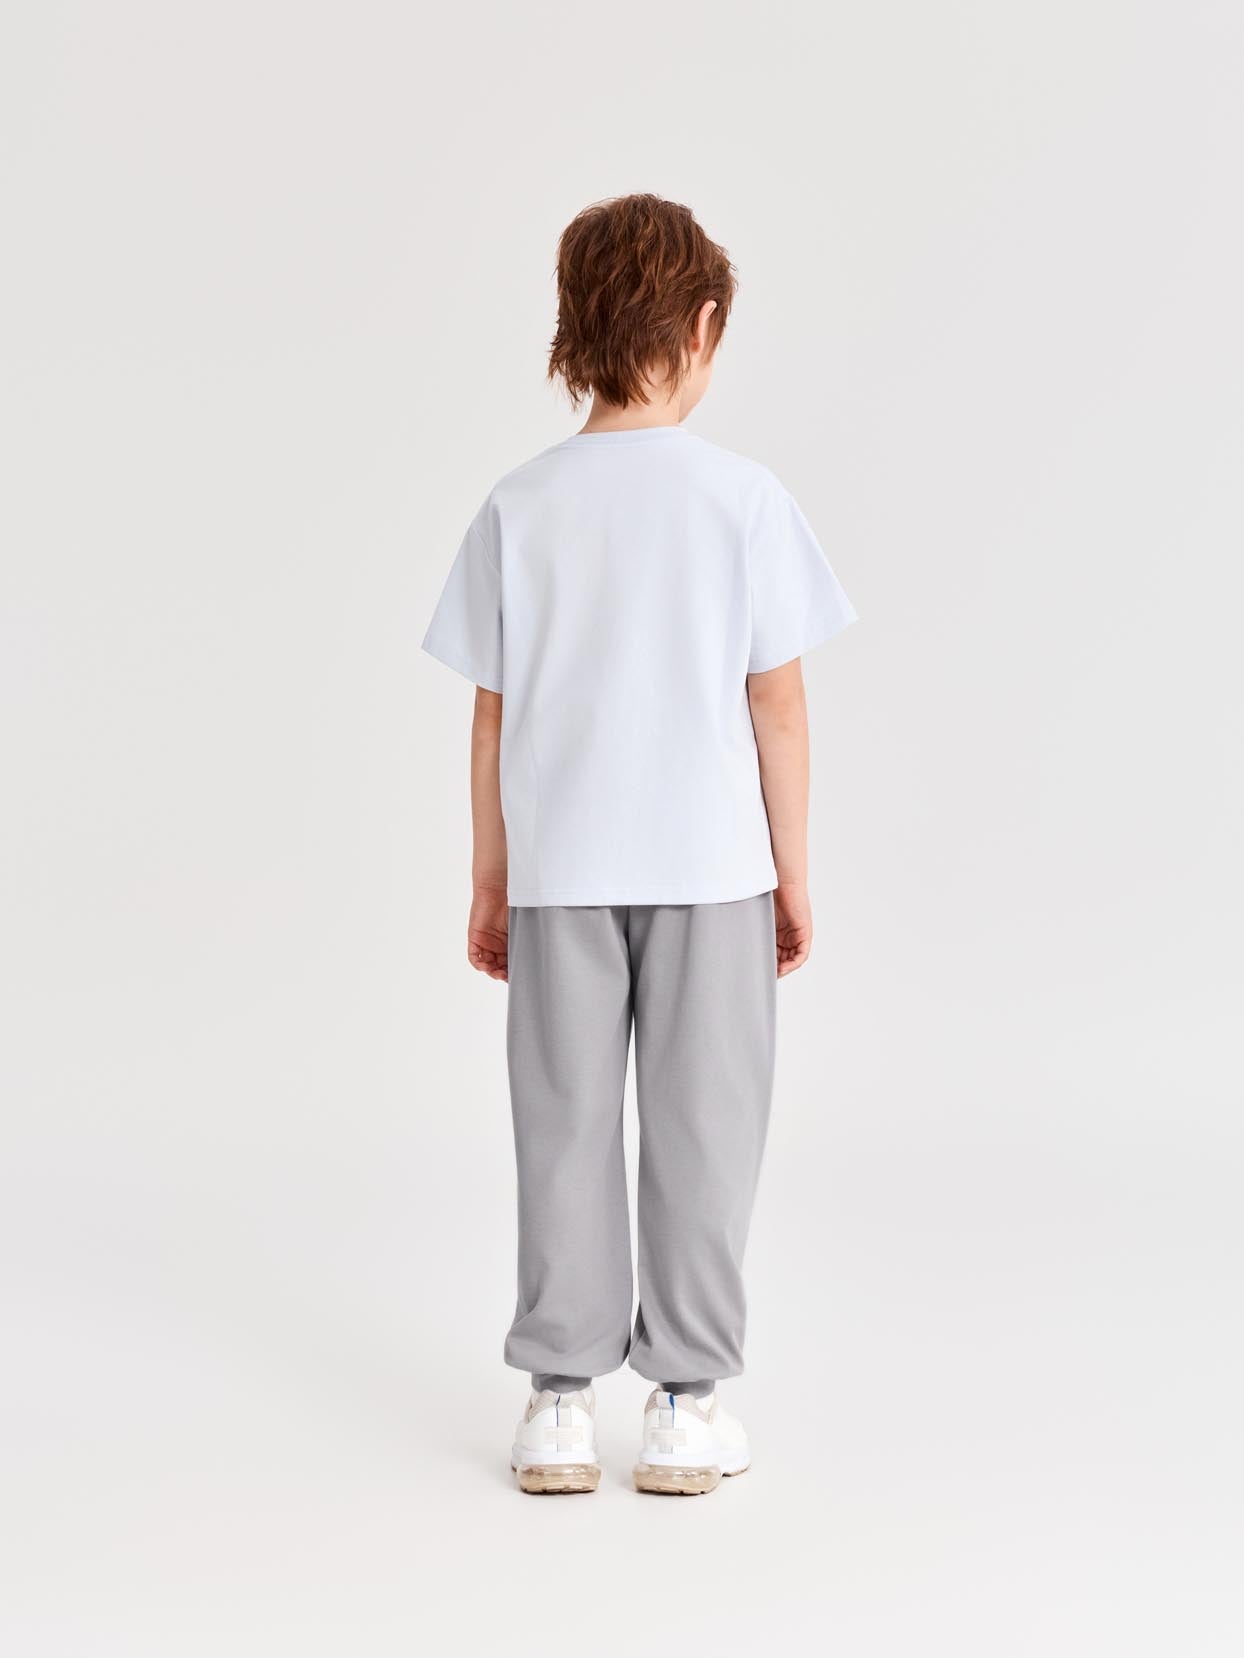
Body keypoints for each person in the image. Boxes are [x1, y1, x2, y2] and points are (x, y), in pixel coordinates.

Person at [421, 193, 857, 1495]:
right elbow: (779, 705)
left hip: (561, 870)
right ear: (704, 325)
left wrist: (491, 878)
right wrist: (792, 869)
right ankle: (684, 1403)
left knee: (559, 1122)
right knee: (704, 1126)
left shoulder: (519, 505)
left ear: (575, 329)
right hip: (713, 869)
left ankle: (558, 1403)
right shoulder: (744, 500)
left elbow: (492, 716)